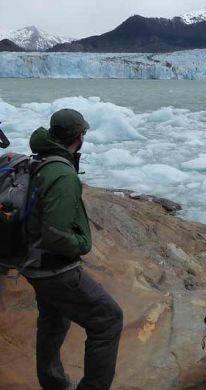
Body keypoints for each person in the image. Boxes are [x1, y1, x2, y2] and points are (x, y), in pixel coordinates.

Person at [23, 109, 123, 390]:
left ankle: (53, 383)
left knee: (54, 319)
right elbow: (55, 234)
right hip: (53, 267)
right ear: (80, 137)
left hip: (32, 260)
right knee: (108, 319)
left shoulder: (41, 159)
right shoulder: (62, 175)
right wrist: (83, 244)